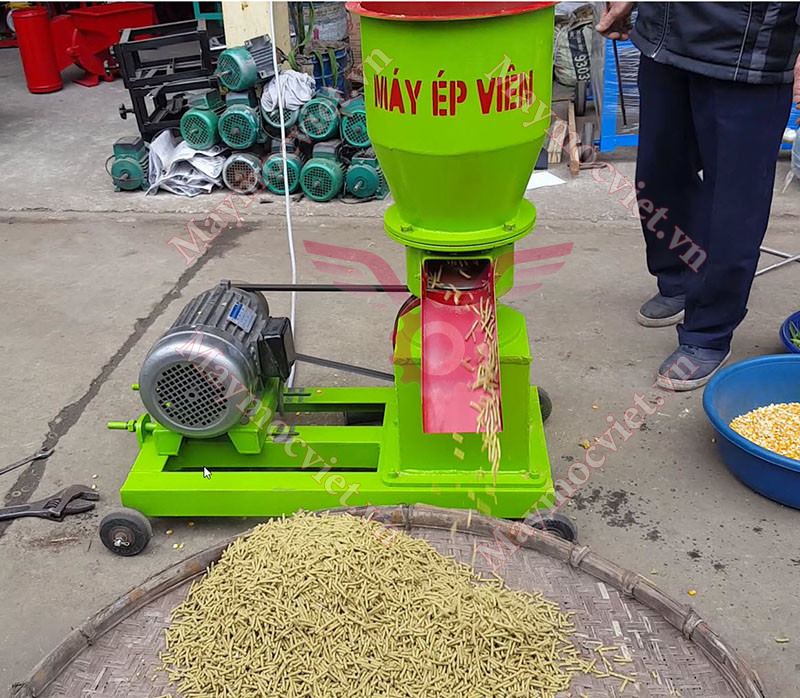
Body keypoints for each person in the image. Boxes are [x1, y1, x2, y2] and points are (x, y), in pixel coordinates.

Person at [597, 2, 800, 390]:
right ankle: (677, 279)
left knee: (732, 203)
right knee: (660, 175)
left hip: (748, 49)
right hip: (665, 33)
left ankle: (708, 331)